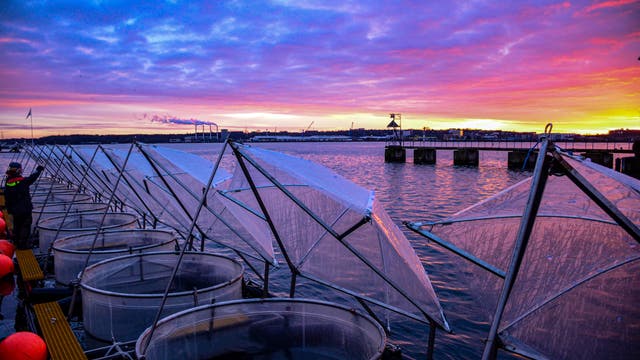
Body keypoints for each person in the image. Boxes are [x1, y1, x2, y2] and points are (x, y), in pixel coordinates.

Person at [3, 162, 44, 249]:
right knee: (25, 226)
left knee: (17, 226)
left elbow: (7, 197)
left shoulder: (8, 181)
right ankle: (23, 246)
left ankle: (17, 243)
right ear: (18, 170)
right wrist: (38, 170)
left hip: (14, 210)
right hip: (25, 209)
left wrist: (9, 209)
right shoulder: (22, 181)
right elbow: (32, 178)